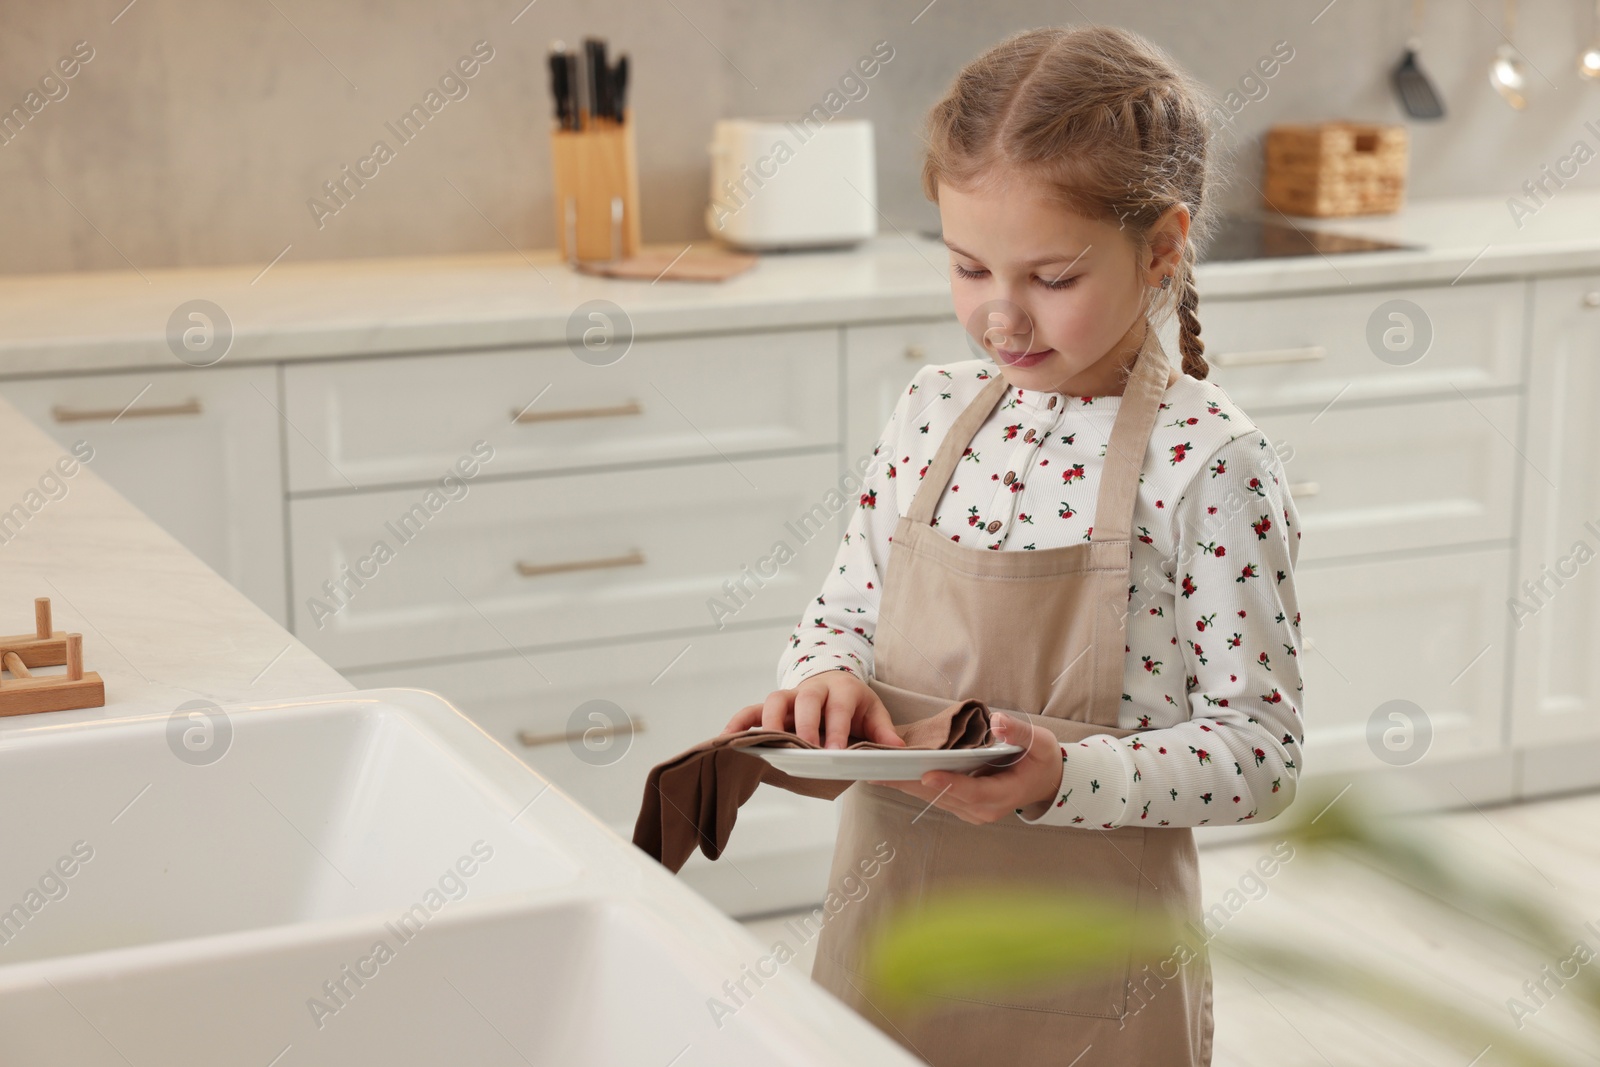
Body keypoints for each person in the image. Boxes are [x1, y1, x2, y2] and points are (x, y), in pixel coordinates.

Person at [722, 24, 1304, 1067]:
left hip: (1093, 973)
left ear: (1163, 246)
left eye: (1050, 275)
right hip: (889, 940)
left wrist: (1063, 775)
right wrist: (819, 679)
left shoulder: (1209, 460)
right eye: (966, 265)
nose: (1000, 313)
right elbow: (844, 608)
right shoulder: (928, 409)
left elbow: (1260, 753)